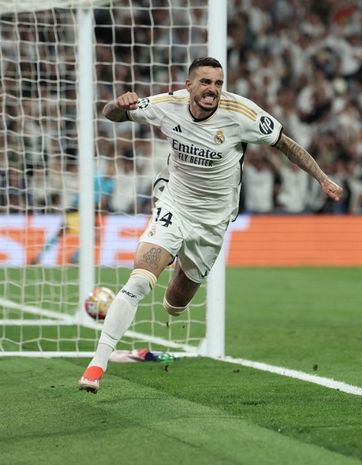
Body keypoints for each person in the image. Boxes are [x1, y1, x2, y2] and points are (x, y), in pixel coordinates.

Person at [79, 57, 343, 392]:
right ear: (188, 85)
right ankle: (97, 366)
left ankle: (172, 255)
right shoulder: (166, 105)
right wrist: (118, 104)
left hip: (212, 222)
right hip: (174, 203)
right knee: (141, 279)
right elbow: (111, 115)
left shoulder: (242, 114)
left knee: (174, 306)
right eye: (205, 82)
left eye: (218, 83)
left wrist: (322, 179)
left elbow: (285, 145)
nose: (213, 90)